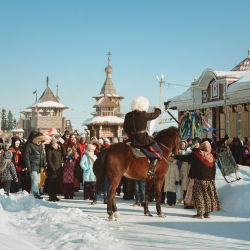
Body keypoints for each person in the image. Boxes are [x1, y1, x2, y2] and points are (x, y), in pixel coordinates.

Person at [173, 141, 221, 219]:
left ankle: (200, 213)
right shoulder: (212, 157)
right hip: (209, 180)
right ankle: (207, 213)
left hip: (199, 179)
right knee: (207, 196)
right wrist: (212, 179)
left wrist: (175, 156)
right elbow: (213, 170)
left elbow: (185, 158)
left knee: (199, 196)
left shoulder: (197, 155)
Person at [123, 96, 162, 178]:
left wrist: (132, 133)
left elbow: (125, 128)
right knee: (158, 152)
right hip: (143, 139)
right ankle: (151, 170)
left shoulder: (127, 115)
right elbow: (155, 115)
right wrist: (157, 109)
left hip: (132, 139)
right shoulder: (143, 114)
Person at [23, 132, 46, 199]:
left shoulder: (41, 146)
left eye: (41, 141)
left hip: (39, 166)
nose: (40, 142)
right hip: (32, 165)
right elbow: (26, 156)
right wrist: (28, 166)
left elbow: (42, 156)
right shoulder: (29, 145)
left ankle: (31, 195)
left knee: (38, 182)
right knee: (35, 180)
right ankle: (36, 195)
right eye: (38, 140)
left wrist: (43, 165)